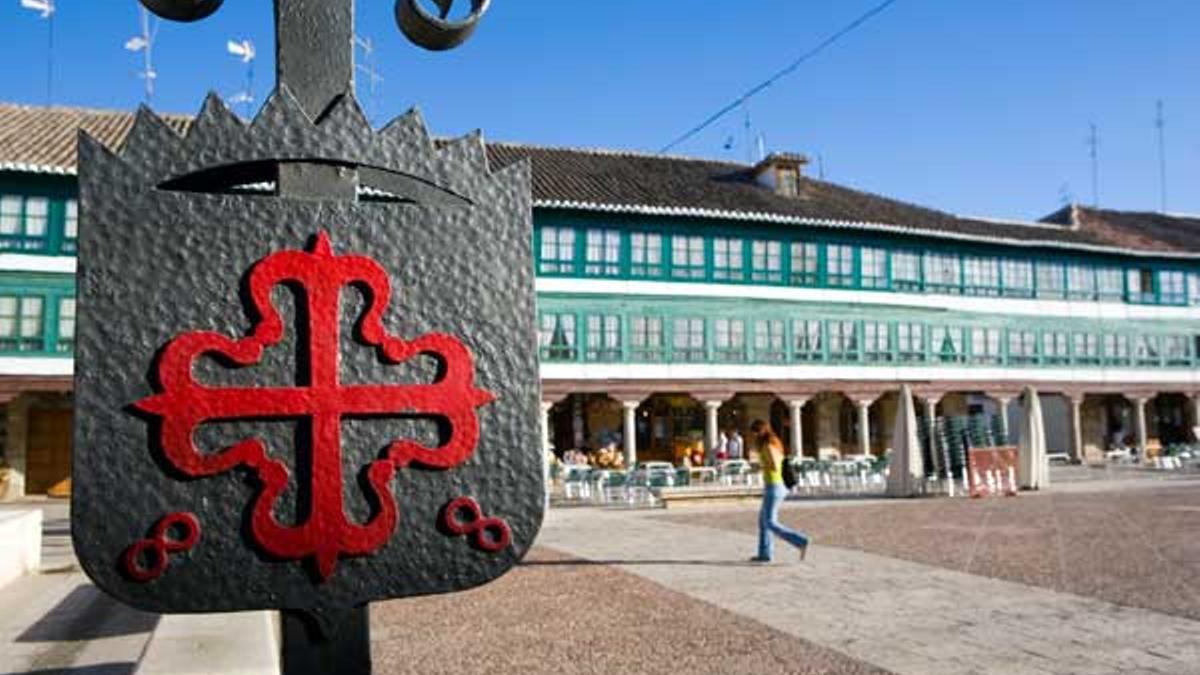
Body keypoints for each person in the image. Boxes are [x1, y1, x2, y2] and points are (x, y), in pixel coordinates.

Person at [748, 419, 809, 563]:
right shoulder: (772, 443)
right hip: (774, 484)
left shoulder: (768, 445)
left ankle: (800, 541)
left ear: (760, 431)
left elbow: (775, 465)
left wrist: (763, 466)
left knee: (769, 522)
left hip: (775, 485)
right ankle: (765, 554)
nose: (753, 436)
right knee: (763, 521)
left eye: (754, 433)